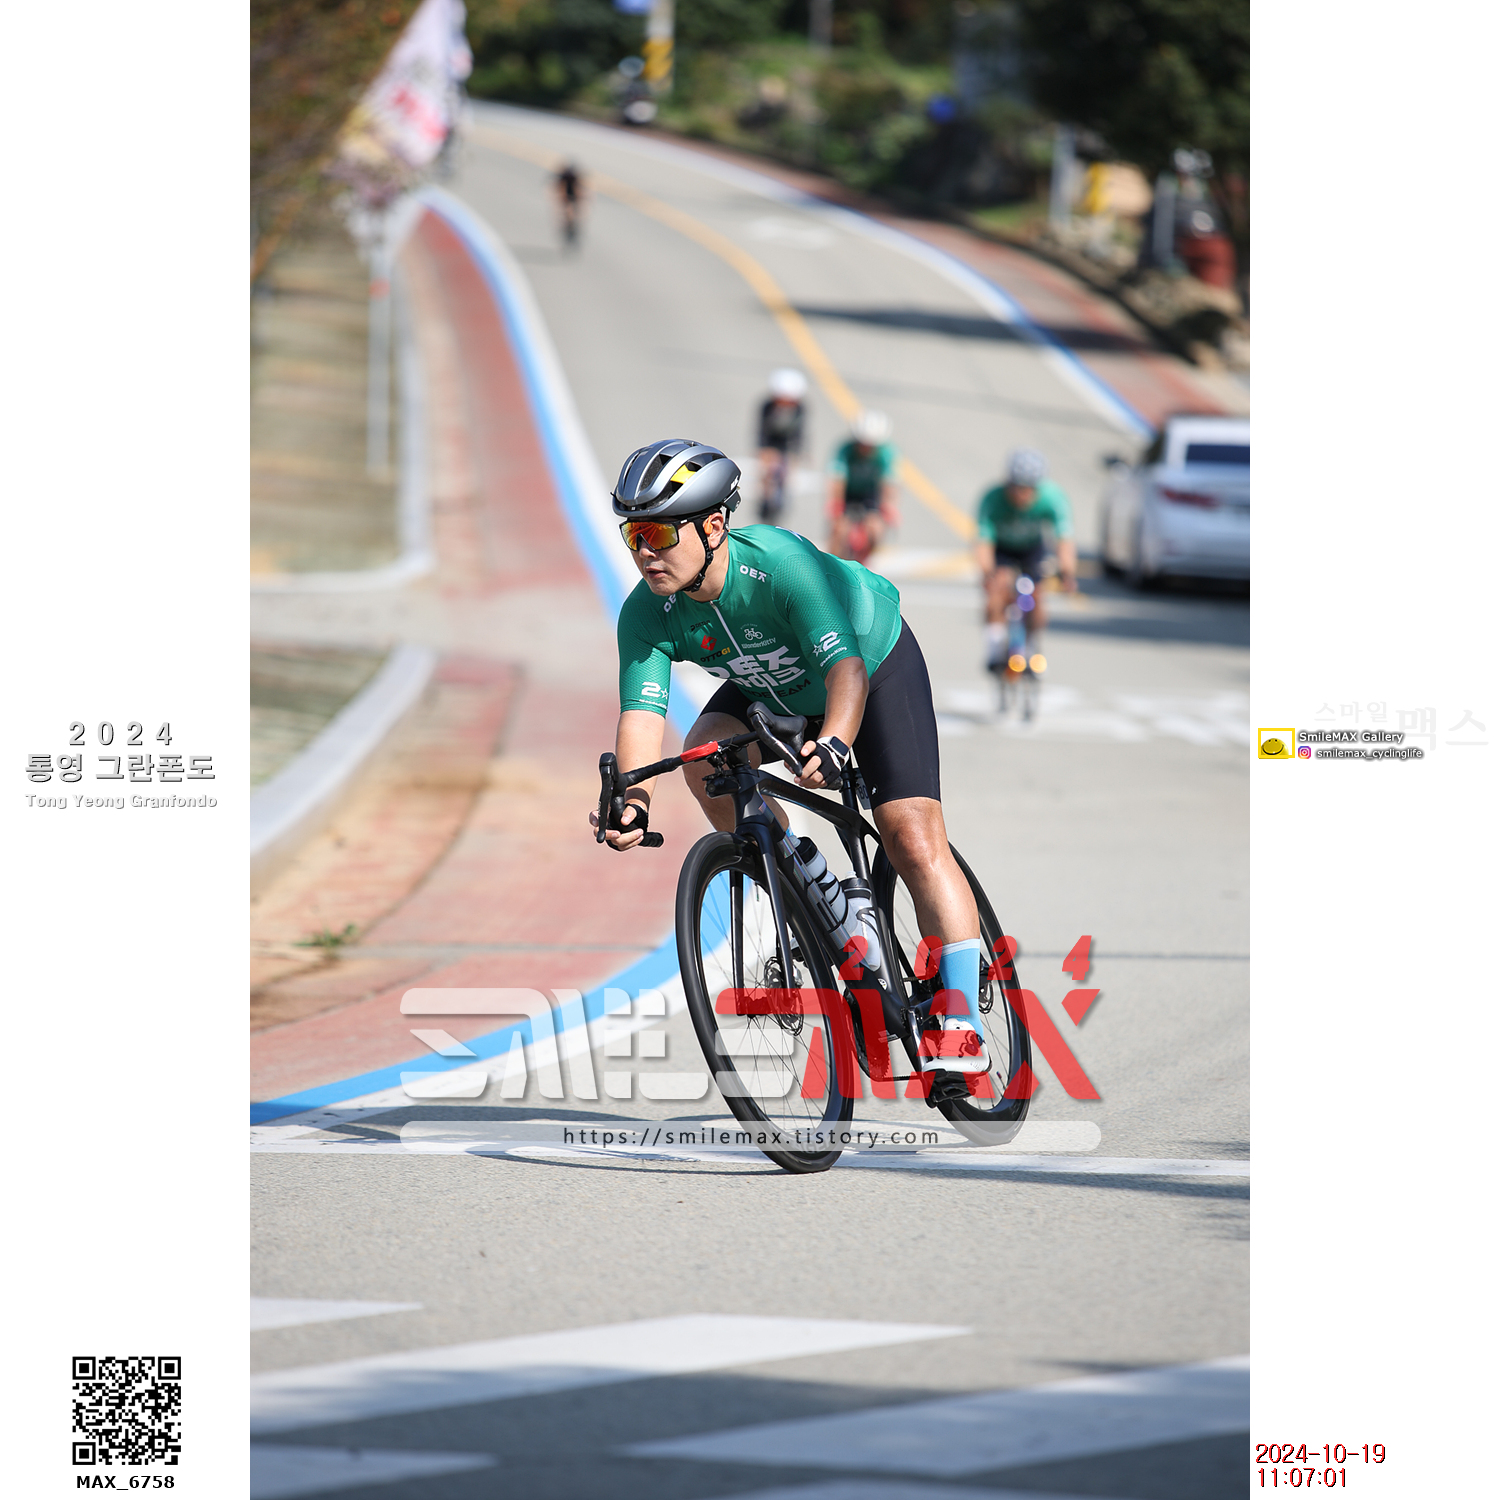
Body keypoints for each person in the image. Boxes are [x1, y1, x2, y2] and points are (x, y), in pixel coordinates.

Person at [592, 437, 989, 1077]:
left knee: (911, 838)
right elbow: (642, 714)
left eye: (658, 534)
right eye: (633, 535)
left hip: (868, 665)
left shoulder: (781, 564)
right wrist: (633, 803)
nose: (644, 552)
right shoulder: (646, 612)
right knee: (702, 755)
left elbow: (846, 671)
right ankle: (817, 889)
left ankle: (963, 1021)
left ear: (713, 527)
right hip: (771, 684)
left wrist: (834, 743)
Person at [974, 449, 1077, 671]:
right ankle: (994, 647)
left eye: (1028, 489)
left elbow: (1064, 539)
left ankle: (1031, 644)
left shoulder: (1052, 498)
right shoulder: (993, 499)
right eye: (1017, 487)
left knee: (1037, 595)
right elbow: (983, 542)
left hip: (1032, 548)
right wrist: (987, 573)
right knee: (998, 588)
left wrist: (1067, 572)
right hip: (1002, 549)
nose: (1022, 495)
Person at [828, 410, 898, 562]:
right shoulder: (845, 450)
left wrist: (889, 507)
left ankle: (862, 563)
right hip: (848, 494)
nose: (866, 448)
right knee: (839, 530)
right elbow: (837, 480)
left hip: (871, 496)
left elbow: (889, 484)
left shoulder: (886, 453)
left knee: (876, 531)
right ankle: (831, 564)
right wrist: (836, 505)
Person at [755, 368, 807, 523]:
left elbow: (799, 435)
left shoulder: (800, 409)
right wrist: (764, 453)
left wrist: (796, 456)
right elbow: (762, 433)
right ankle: (765, 498)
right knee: (767, 471)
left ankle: (781, 499)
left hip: (788, 443)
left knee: (787, 470)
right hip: (771, 441)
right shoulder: (767, 407)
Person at [553, 161, 585, 246]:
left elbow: (578, 189)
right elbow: (561, 189)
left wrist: (579, 198)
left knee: (574, 212)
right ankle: (568, 226)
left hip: (572, 194)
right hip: (566, 195)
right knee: (568, 211)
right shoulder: (564, 177)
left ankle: (571, 227)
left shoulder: (574, 177)